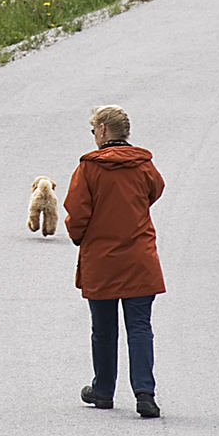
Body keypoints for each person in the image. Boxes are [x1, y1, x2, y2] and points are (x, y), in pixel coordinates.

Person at [64, 105, 165, 418]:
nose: (93, 135)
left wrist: (79, 235)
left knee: (103, 329)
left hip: (102, 258)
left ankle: (104, 390)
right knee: (139, 327)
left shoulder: (89, 168)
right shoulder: (143, 164)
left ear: (104, 130)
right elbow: (155, 189)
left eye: (94, 129)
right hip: (139, 257)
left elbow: (77, 213)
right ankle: (144, 393)